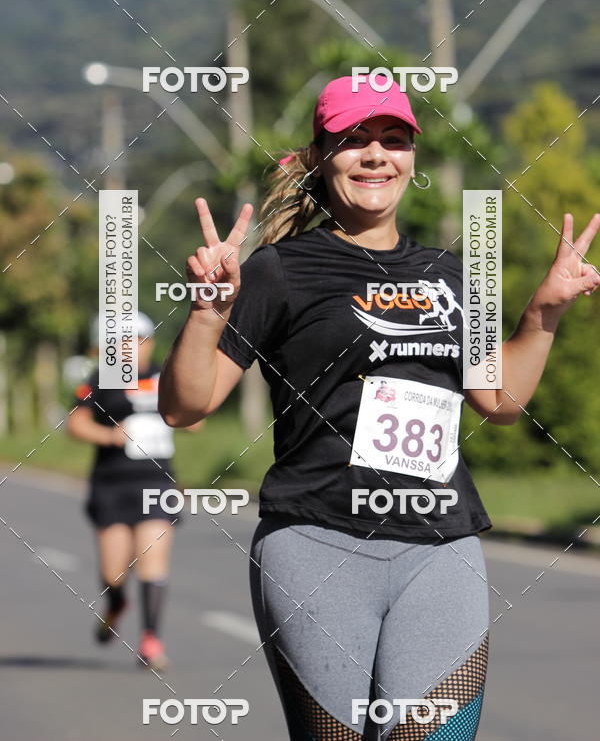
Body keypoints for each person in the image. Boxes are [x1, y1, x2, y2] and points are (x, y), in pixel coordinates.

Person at [158, 75, 599, 739]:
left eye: (393, 140)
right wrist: (205, 314)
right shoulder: (279, 270)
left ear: (411, 159)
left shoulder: (451, 274)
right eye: (353, 140)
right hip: (316, 544)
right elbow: (186, 408)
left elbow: (498, 400)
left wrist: (542, 314)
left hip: (439, 546)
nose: (375, 155)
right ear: (321, 156)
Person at [67, 312, 179, 670]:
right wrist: (109, 435)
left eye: (140, 340)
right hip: (112, 484)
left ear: (151, 343)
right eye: (125, 341)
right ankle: (116, 603)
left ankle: (150, 642)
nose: (133, 347)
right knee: (114, 574)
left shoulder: (167, 378)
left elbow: (196, 416)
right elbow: (76, 423)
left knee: (153, 562)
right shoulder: (103, 379)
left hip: (157, 482)